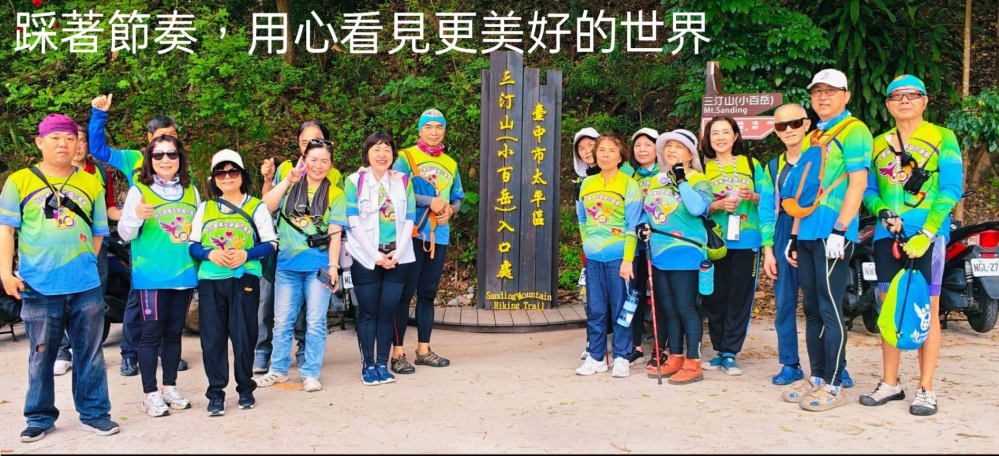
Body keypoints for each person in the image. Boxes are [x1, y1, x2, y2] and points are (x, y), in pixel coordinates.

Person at [1, 114, 119, 441]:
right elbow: (6, 231)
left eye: (70, 138)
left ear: (78, 143)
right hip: (38, 284)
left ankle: (95, 413)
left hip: (85, 285)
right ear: (40, 142)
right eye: (55, 138)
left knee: (90, 354)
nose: (63, 144)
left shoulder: (91, 182)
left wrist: (84, 260)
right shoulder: (20, 181)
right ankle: (39, 417)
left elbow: (98, 231)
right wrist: (5, 274)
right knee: (41, 354)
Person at [858, 74, 963, 416]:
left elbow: (951, 189)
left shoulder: (943, 137)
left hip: (929, 235)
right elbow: (869, 190)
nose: (904, 100)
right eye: (896, 96)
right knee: (889, 306)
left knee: (925, 307)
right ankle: (890, 382)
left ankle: (926, 388)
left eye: (912, 94)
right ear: (888, 105)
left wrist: (927, 232)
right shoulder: (878, 143)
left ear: (925, 101)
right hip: (888, 236)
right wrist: (882, 211)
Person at [782, 69, 873, 412]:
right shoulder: (815, 135)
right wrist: (793, 236)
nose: (823, 97)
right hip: (806, 231)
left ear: (846, 96)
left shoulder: (855, 130)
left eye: (831, 91)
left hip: (832, 233)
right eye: (817, 91)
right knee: (812, 308)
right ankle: (817, 377)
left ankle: (834, 383)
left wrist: (840, 228)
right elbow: (804, 191)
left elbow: (858, 183)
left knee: (830, 307)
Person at [88, 93, 188, 376]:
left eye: (172, 136)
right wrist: (99, 116)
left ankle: (166, 350)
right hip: (141, 237)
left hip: (170, 240)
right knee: (138, 296)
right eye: (161, 136)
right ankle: (130, 354)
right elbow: (98, 149)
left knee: (169, 296)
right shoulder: (132, 157)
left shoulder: (178, 164)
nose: (166, 143)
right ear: (148, 138)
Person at [188, 149, 277, 416]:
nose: (227, 177)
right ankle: (215, 393)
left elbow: (271, 243)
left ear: (242, 175)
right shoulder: (205, 208)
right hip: (211, 280)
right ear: (213, 178)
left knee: (244, 335)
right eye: (221, 172)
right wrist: (210, 254)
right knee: (212, 338)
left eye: (233, 171)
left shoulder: (256, 207)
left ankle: (245, 388)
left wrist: (245, 254)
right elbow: (193, 245)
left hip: (244, 278)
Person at [117, 136, 201, 417]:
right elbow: (125, 233)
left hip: (184, 273)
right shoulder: (139, 191)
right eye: (158, 155)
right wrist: (136, 215)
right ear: (149, 160)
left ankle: (169, 387)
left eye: (172, 154)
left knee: (174, 334)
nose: (166, 160)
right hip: (151, 275)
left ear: (180, 158)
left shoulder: (191, 191)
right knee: (151, 334)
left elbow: (198, 232)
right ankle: (150, 393)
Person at [255, 141, 347, 393]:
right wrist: (288, 180)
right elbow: (266, 206)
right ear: (304, 160)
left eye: (324, 161)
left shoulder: (336, 194)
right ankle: (278, 369)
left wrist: (334, 266)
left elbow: (335, 234)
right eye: (313, 159)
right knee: (282, 321)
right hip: (287, 266)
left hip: (318, 267)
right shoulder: (290, 184)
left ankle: (311, 372)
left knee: (315, 322)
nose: (318, 165)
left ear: (331, 165)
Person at [390, 109, 465, 373]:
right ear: (420, 130)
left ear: (445, 130)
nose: (434, 132)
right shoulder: (404, 158)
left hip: (438, 235)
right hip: (410, 235)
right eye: (428, 127)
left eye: (439, 127)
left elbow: (458, 195)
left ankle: (423, 350)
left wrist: (451, 210)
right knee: (403, 294)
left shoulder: (451, 163)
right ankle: (397, 354)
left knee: (428, 293)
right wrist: (429, 201)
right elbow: (395, 192)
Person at [701, 116, 775, 376]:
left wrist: (752, 196)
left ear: (734, 136)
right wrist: (717, 205)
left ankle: (730, 352)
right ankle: (719, 350)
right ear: (708, 139)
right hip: (716, 243)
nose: (720, 138)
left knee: (739, 297)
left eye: (725, 132)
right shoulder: (703, 169)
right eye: (714, 133)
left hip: (747, 241)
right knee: (715, 296)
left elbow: (769, 199)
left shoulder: (752, 165)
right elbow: (696, 207)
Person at [639, 129, 712, 384]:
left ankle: (693, 362)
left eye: (678, 146)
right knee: (669, 309)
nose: (671, 150)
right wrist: (643, 225)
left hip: (686, 252)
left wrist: (681, 178)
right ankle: (676, 356)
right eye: (668, 146)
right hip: (659, 253)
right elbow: (648, 210)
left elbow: (697, 208)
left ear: (690, 154)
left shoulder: (699, 180)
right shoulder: (657, 180)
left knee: (686, 308)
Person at [344, 132, 417, 385]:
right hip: (365, 257)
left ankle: (382, 364)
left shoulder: (402, 180)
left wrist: (398, 252)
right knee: (368, 312)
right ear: (367, 154)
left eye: (386, 149)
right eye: (376, 149)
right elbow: (353, 220)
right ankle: (368, 365)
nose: (382, 154)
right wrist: (374, 255)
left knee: (388, 311)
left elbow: (410, 218)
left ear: (393, 155)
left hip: (398, 256)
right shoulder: (354, 181)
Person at [54, 126, 122, 376]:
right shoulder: (54, 173)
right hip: (61, 245)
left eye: (82, 140)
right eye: (73, 140)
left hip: (96, 244)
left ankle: (89, 352)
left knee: (93, 300)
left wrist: (132, 214)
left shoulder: (100, 173)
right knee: (60, 297)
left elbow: (110, 208)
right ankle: (63, 351)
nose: (78, 145)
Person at [574, 134, 643, 378]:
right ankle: (596, 357)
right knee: (595, 309)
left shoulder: (629, 185)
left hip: (619, 258)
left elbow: (632, 226)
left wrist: (628, 260)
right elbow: (582, 219)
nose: (605, 155)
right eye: (601, 150)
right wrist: (587, 245)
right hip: (594, 258)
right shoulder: (587, 184)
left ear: (621, 156)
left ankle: (622, 356)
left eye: (611, 150)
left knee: (621, 309)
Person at [624, 128, 661, 368]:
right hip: (635, 247)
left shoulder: (665, 174)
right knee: (634, 296)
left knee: (660, 296)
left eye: (648, 144)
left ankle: (661, 347)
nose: (643, 149)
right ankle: (635, 345)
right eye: (638, 145)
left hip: (661, 245)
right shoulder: (629, 177)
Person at [572, 127, 602, 360]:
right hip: (592, 246)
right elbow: (581, 218)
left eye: (591, 145)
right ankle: (594, 342)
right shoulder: (582, 181)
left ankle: (625, 346)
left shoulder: (619, 174)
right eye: (581, 148)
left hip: (618, 245)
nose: (587, 151)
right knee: (592, 297)